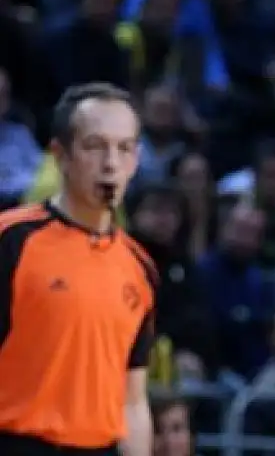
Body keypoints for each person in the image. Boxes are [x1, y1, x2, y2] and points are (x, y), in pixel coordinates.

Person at [0, 83, 156, 455]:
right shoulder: (11, 240)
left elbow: (133, 402)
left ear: (136, 160)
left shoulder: (139, 267)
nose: (111, 163)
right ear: (61, 155)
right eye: (94, 146)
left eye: (124, 148)